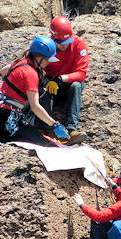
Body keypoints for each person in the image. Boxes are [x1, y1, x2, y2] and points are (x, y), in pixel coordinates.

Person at [0, 35, 70, 148]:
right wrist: (55, 125)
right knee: (43, 145)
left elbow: (3, 71)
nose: (49, 63)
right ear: (39, 58)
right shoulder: (31, 73)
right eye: (48, 59)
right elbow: (35, 107)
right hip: (6, 116)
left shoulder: (21, 62)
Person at [38, 16, 90, 145]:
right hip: (50, 85)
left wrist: (61, 78)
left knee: (76, 86)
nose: (65, 45)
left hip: (67, 84)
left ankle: (72, 130)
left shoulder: (78, 44)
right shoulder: (47, 47)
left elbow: (81, 74)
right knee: (44, 87)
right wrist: (46, 78)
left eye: (68, 41)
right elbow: (38, 68)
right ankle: (43, 128)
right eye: (61, 43)